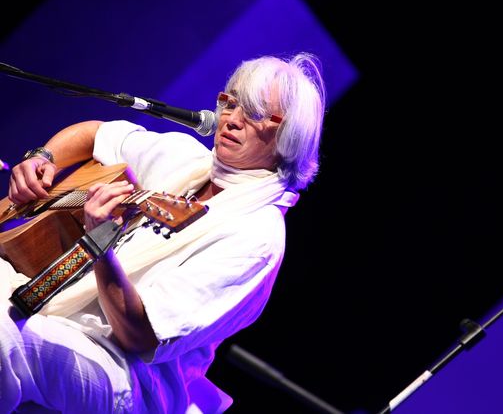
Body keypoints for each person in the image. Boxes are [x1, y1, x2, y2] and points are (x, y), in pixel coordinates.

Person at [0, 52, 325, 413]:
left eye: (256, 113)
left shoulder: (256, 235)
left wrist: (100, 244)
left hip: (124, 372)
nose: (232, 120)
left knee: (6, 337)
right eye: (230, 103)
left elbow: (139, 336)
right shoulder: (186, 159)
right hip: (56, 308)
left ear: (290, 136)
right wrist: (43, 158)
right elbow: (96, 134)